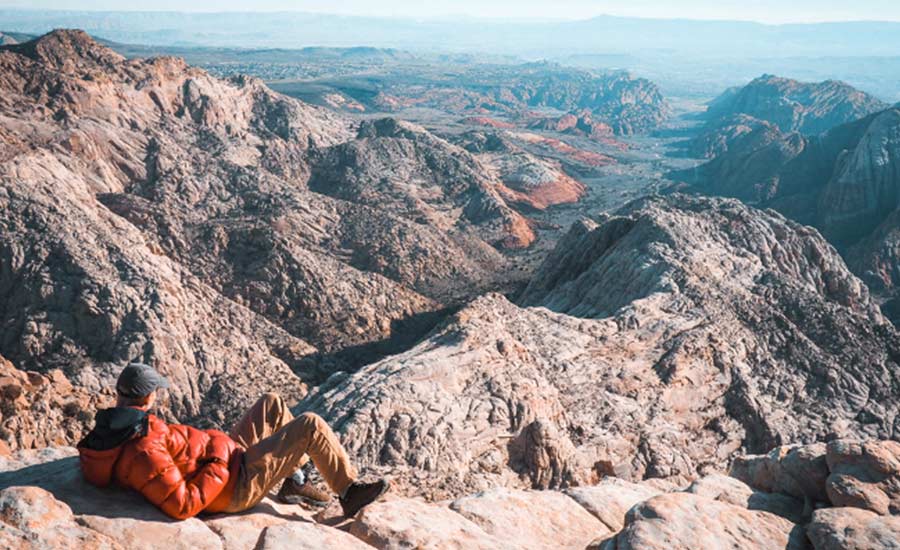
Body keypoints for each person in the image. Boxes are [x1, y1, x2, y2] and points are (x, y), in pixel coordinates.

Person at [77, 362, 389, 520]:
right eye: (156, 390)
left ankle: (294, 480)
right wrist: (218, 463)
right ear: (147, 396)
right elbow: (182, 504)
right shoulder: (143, 447)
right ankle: (348, 493)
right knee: (310, 425)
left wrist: (217, 450)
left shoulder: (114, 428)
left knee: (271, 403)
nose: (158, 394)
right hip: (233, 486)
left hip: (224, 459)